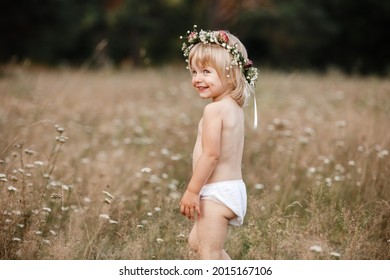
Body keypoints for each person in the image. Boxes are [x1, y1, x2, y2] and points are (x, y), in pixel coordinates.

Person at [179, 26, 258, 260]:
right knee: (197, 242)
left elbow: (211, 155)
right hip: (230, 188)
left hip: (216, 193)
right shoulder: (234, 108)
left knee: (209, 254)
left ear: (230, 74)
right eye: (194, 72)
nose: (197, 79)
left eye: (206, 71)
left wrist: (192, 191)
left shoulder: (214, 110)